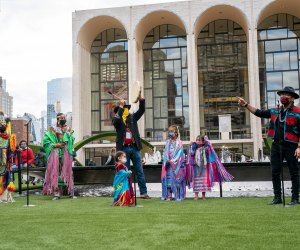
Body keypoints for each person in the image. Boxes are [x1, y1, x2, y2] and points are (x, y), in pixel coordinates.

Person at [237, 86, 300, 205]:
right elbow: (258, 112)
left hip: (291, 145)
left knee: (294, 172)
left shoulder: (298, 113)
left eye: (286, 94)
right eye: (282, 94)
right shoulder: (275, 111)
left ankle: (295, 198)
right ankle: (277, 198)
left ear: (292, 98)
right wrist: (246, 105)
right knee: (275, 171)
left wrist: (299, 147)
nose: (283, 96)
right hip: (276, 145)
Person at [112, 96, 150, 199]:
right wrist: (120, 106)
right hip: (123, 149)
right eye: (124, 108)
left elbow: (141, 110)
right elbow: (115, 121)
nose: (126, 110)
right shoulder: (118, 120)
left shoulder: (132, 118)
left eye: (126, 108)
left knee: (139, 171)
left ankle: (143, 192)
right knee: (125, 171)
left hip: (134, 147)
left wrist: (141, 100)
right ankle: (127, 193)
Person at [188, 135, 233, 200]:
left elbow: (209, 148)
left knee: (204, 181)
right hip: (196, 167)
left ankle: (203, 196)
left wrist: (206, 140)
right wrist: (191, 146)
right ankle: (196, 196)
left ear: (203, 141)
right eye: (197, 140)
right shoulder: (194, 148)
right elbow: (191, 154)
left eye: (199, 140)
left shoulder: (206, 148)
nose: (197, 141)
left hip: (204, 167)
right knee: (196, 181)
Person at [43, 113, 76, 200]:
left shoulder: (69, 129)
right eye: (60, 118)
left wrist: (67, 134)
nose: (62, 119)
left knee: (69, 172)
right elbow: (46, 142)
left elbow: (72, 139)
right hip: (55, 154)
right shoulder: (51, 130)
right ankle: (56, 193)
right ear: (57, 120)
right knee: (55, 173)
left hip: (66, 154)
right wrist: (55, 145)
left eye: (63, 118)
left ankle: (70, 192)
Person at [161, 125, 186, 201]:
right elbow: (165, 152)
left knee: (176, 180)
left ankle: (178, 195)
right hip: (168, 165)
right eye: (169, 131)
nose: (170, 133)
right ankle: (169, 195)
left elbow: (180, 154)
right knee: (168, 180)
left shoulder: (179, 143)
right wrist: (166, 159)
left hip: (176, 166)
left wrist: (173, 161)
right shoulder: (168, 142)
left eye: (172, 131)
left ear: (176, 132)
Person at [0, 113, 17, 202]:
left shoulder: (8, 137)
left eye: (3, 124)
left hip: (5, 160)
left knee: (4, 175)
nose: (2, 125)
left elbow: (11, 150)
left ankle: (3, 196)